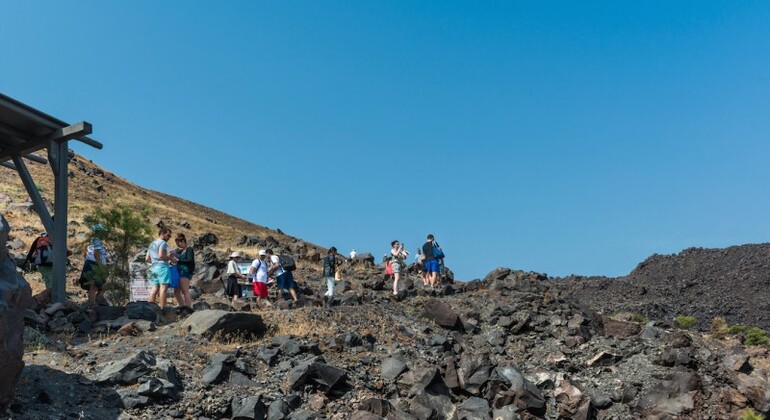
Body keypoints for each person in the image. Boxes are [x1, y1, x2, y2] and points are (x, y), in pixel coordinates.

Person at [145, 227, 177, 310]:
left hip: (153, 268)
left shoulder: (152, 243)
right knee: (163, 289)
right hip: (162, 268)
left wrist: (155, 261)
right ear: (162, 233)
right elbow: (161, 255)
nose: (169, 238)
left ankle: (150, 308)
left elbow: (147, 258)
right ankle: (162, 309)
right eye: (168, 235)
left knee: (154, 289)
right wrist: (171, 259)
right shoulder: (163, 243)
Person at [79, 224, 109, 308]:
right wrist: (101, 267)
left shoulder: (94, 240)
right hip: (94, 264)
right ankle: (92, 302)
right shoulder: (96, 240)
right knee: (94, 285)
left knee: (101, 285)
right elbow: (96, 253)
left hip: (93, 263)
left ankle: (96, 299)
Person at [173, 233, 194, 313]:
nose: (178, 245)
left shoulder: (189, 249)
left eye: (178, 244)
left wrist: (179, 260)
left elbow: (190, 260)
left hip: (185, 272)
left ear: (182, 242)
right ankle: (182, 306)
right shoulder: (182, 250)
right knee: (176, 291)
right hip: (180, 271)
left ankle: (188, 308)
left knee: (185, 290)